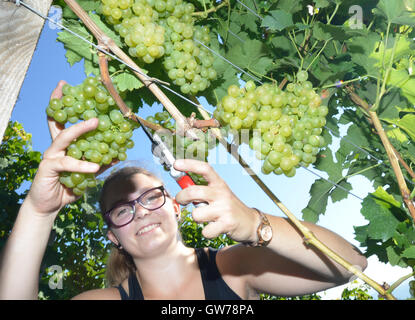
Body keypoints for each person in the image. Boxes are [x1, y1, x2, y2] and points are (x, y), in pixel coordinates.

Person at [0, 81, 367, 300]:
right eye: (123, 209)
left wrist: (256, 225)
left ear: (175, 206)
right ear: (113, 235)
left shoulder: (233, 267)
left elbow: (352, 264)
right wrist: (39, 211)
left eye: (150, 197)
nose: (141, 210)